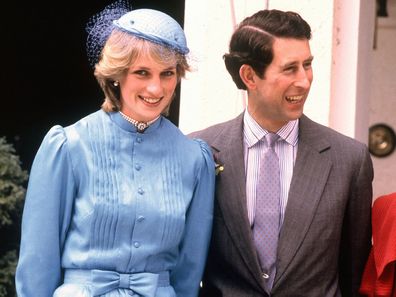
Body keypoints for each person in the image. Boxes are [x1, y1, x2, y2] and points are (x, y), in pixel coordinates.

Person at [15, 1, 215, 296]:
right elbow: (37, 264)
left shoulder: (195, 159)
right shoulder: (69, 146)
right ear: (116, 75)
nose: (156, 89)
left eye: (167, 73)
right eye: (142, 73)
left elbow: (189, 272)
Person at [190, 9, 373, 297]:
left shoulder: (350, 160)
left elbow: (355, 275)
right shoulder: (199, 151)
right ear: (249, 76)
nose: (304, 80)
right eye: (290, 69)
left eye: (307, 65)